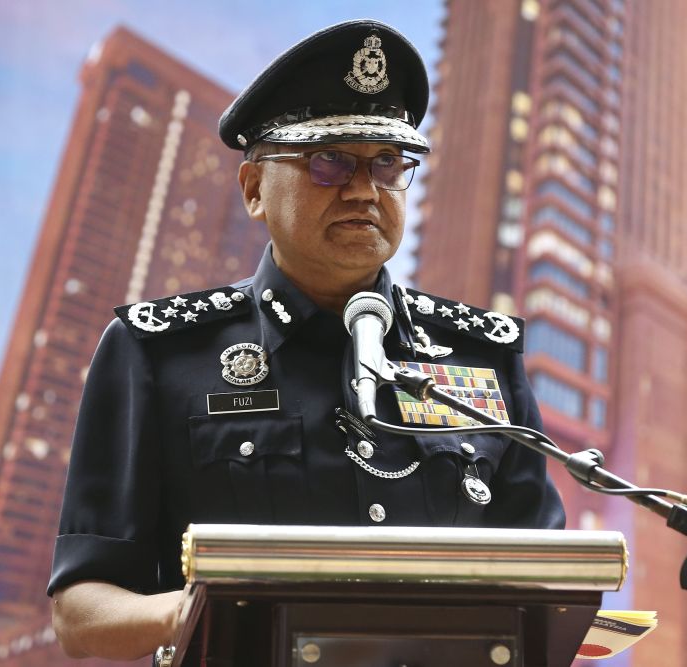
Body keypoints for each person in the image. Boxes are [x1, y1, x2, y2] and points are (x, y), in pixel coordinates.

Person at [48, 18, 565, 661]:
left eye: (386, 164)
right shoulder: (160, 352)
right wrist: (207, 607)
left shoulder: (480, 356)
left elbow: (548, 580)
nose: (363, 191)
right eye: (329, 162)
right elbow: (81, 611)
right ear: (254, 189)